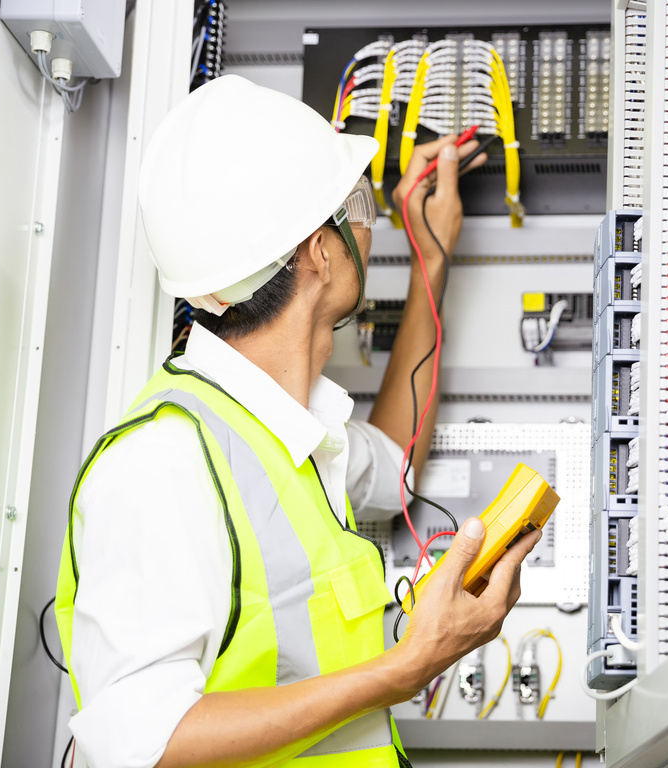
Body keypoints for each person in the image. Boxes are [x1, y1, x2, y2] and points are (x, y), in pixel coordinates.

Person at [54, 75, 541, 767]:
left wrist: (431, 263)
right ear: (320, 250)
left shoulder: (289, 428)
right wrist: (407, 666)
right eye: (359, 207)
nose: (369, 228)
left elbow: (395, 462)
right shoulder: (162, 460)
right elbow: (145, 745)